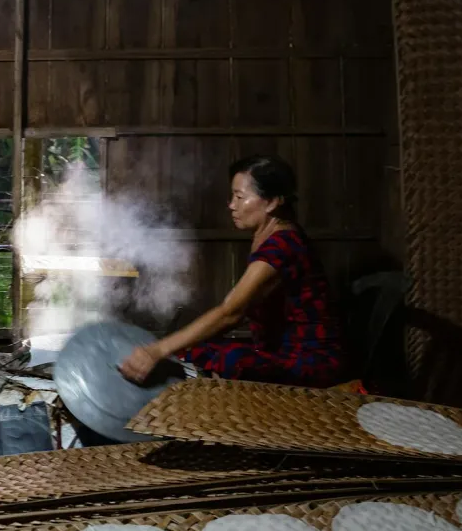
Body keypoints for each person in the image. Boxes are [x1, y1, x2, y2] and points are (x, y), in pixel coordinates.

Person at [120, 155, 345, 389]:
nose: (231, 205)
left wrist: (156, 350)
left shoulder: (283, 245)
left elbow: (231, 313)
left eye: (240, 197)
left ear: (271, 202)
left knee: (231, 358)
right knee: (198, 350)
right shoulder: (269, 236)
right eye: (233, 196)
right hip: (279, 352)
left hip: (313, 362)